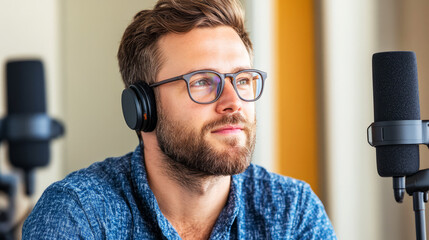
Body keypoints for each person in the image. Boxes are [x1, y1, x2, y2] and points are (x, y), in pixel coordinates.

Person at [22, 0, 337, 239]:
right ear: (142, 108)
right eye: (202, 81)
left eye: (242, 80)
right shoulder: (79, 214)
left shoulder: (291, 211)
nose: (233, 103)